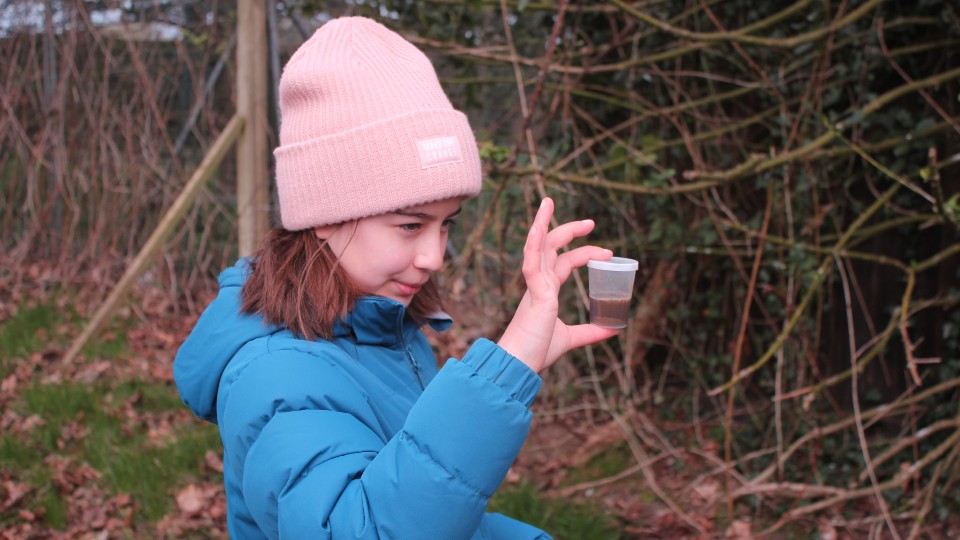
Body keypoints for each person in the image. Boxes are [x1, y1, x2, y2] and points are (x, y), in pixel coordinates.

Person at [174, 16, 619, 539]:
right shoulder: (279, 376)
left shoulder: (375, 325)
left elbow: (419, 503)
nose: (434, 256)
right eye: (410, 224)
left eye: (446, 224)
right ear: (325, 214)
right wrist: (511, 360)